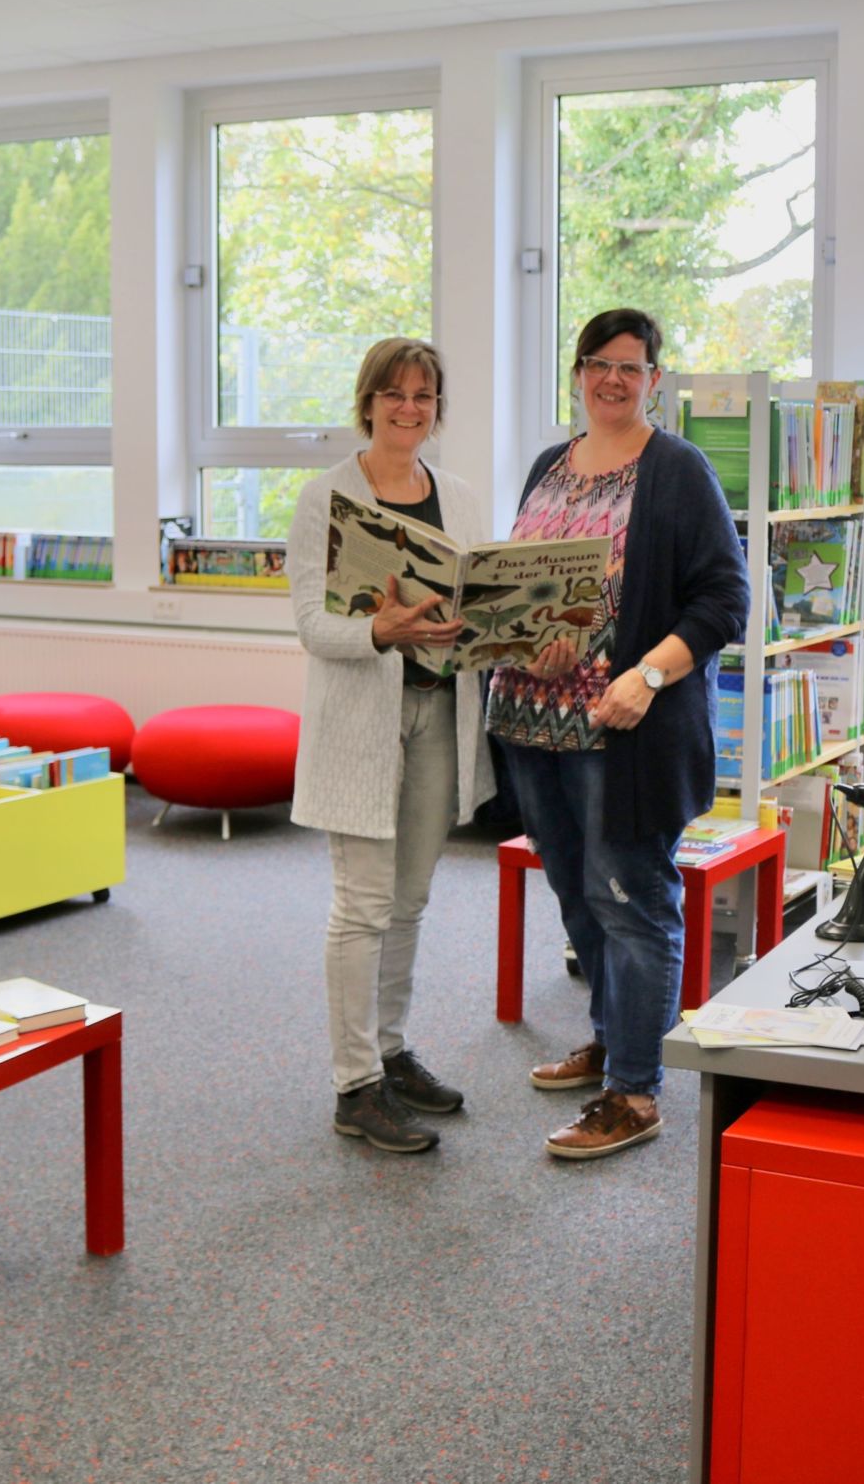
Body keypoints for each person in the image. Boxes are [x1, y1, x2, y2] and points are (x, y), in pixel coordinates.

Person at [488, 308, 748, 1161]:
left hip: (625, 729)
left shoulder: (678, 471)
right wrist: (530, 635)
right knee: (578, 897)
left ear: (654, 383)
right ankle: (613, 1039)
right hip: (534, 719)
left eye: (630, 368)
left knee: (633, 903)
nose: (611, 380)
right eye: (597, 364)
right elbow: (529, 593)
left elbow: (723, 600)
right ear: (577, 373)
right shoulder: (546, 467)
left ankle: (635, 1092)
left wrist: (645, 675)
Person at [286, 338, 498, 1155]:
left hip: (441, 711)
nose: (409, 407)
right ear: (367, 400)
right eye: (394, 393)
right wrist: (382, 627)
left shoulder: (462, 497)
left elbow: (482, 600)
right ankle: (354, 1087)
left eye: (424, 395)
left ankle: (391, 1049)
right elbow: (312, 623)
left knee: (409, 900)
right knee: (364, 903)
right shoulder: (326, 497)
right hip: (363, 718)